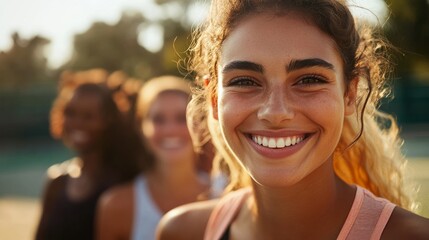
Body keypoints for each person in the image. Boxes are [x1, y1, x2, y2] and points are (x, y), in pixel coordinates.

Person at [156, 0, 429, 239]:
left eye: (309, 79)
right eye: (244, 81)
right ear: (214, 99)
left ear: (349, 94)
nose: (275, 113)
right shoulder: (182, 233)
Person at [96, 75, 214, 240]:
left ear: (199, 124)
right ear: (140, 126)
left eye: (181, 118)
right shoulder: (116, 206)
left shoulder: (228, 194)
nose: (170, 130)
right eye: (158, 119)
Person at [35, 69, 144, 240]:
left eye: (88, 116)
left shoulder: (126, 182)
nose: (77, 123)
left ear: (109, 120)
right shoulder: (56, 181)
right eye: (71, 113)